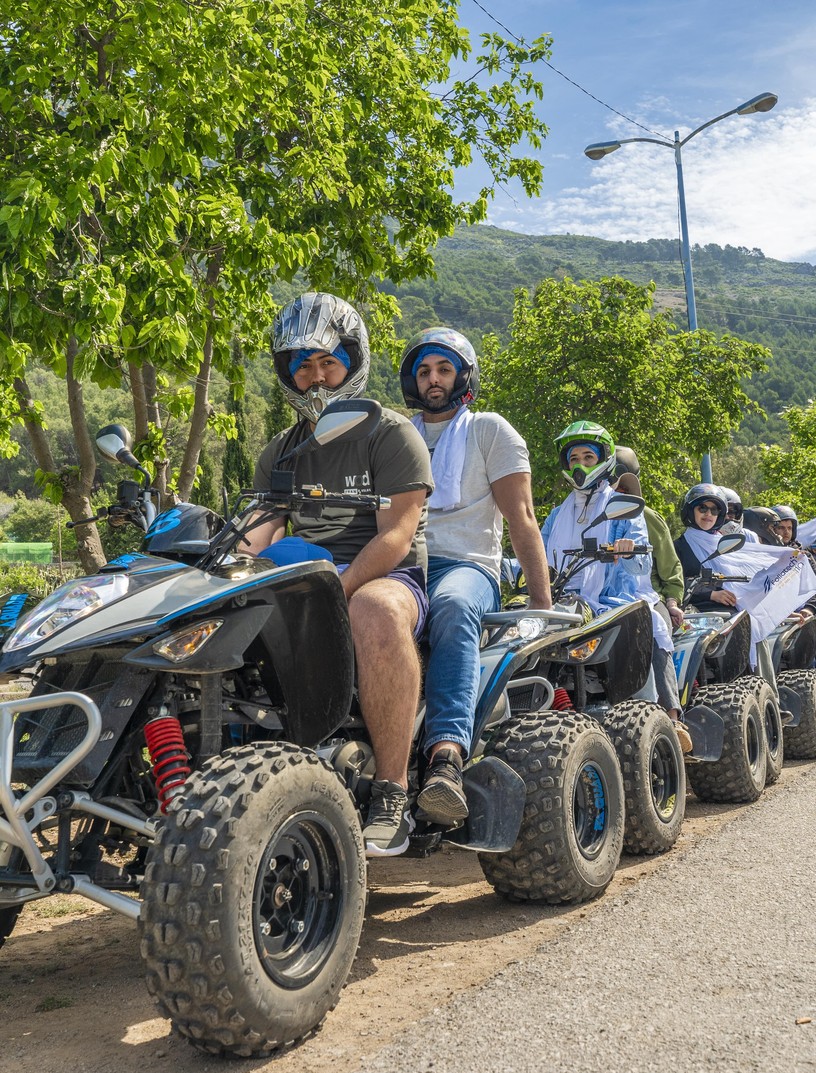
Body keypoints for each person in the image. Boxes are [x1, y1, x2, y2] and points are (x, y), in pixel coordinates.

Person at [243, 292, 433, 857]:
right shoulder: (281, 451)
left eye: (328, 362)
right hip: (306, 574)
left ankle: (392, 792)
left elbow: (397, 536)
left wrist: (337, 591)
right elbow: (258, 531)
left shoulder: (390, 433)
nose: (317, 378)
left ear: (354, 362)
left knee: (371, 609)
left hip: (386, 578)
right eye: (302, 366)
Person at [399, 327, 551, 827]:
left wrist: (542, 605)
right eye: (424, 371)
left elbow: (522, 518)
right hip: (403, 563)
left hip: (467, 567)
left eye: (443, 369)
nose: (433, 379)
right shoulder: (397, 435)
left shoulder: (490, 431)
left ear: (463, 376)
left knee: (453, 606)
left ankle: (445, 759)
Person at [540, 423, 688, 746]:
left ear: (603, 460)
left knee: (647, 622)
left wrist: (628, 550)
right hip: (565, 601)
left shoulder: (624, 508)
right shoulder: (555, 515)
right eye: (574, 458)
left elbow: (642, 565)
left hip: (617, 598)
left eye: (588, 457)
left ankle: (662, 718)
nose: (580, 465)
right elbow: (538, 556)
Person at [610, 446, 685, 729]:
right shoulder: (578, 515)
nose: (614, 490)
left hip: (648, 595)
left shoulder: (646, 517)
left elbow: (670, 567)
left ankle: (671, 717)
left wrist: (672, 602)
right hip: (602, 598)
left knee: (653, 629)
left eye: (621, 485)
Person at [674, 484, 739, 612]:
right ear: (690, 511)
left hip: (733, 611)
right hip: (696, 614)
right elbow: (673, 583)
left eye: (714, 510)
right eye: (702, 508)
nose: (709, 514)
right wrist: (711, 594)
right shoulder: (677, 547)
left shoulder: (726, 544)